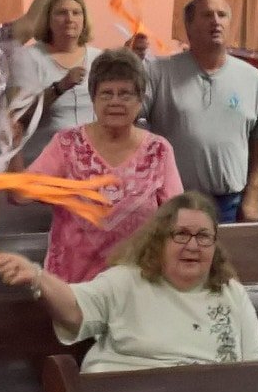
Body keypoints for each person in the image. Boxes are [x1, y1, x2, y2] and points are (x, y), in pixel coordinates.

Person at [0, 193, 258, 373]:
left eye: (203, 236)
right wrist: (37, 276)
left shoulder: (231, 293)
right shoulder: (127, 281)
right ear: (159, 240)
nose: (193, 245)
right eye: (181, 234)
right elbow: (75, 309)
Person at [27, 50, 184, 282]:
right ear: (93, 98)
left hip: (138, 281)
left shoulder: (159, 150)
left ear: (140, 100)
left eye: (125, 94)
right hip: (74, 284)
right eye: (106, 94)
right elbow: (28, 188)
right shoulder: (67, 143)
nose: (115, 102)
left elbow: (176, 214)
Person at [142, 0, 258, 223]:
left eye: (222, 15)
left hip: (229, 205)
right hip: (173, 202)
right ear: (188, 26)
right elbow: (127, 119)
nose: (216, 21)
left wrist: (253, 197)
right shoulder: (158, 72)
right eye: (207, 15)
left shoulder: (253, 79)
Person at [1, 0, 101, 164]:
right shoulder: (29, 58)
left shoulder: (99, 59)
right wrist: (59, 87)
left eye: (76, 13)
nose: (70, 19)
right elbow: (18, 116)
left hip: (90, 166)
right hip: (43, 165)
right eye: (61, 13)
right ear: (47, 19)